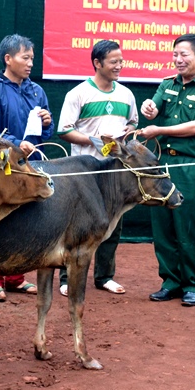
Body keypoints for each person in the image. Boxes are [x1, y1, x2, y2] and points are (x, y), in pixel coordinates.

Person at [138, 33, 195, 307]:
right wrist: (149, 109)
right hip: (162, 164)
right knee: (162, 225)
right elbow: (153, 112)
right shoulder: (167, 84)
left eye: (184, 54)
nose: (178, 60)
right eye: (175, 54)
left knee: (186, 224)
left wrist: (159, 129)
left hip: (190, 165)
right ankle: (170, 281)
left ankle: (192, 285)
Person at [0, 34, 54, 301]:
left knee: (25, 219)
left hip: (30, 167)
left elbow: (46, 133)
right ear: (8, 59)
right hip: (1, 169)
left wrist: (46, 122)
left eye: (32, 58)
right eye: (25, 57)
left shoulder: (36, 91)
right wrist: (18, 145)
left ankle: (17, 277)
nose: (31, 63)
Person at [56, 39, 138, 296]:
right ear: (97, 63)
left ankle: (104, 276)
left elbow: (133, 124)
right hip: (85, 171)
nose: (119, 66)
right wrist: (95, 140)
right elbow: (65, 130)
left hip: (115, 171)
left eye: (121, 61)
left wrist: (128, 132)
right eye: (114, 62)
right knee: (74, 225)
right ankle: (66, 279)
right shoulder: (78, 93)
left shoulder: (126, 94)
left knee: (112, 223)